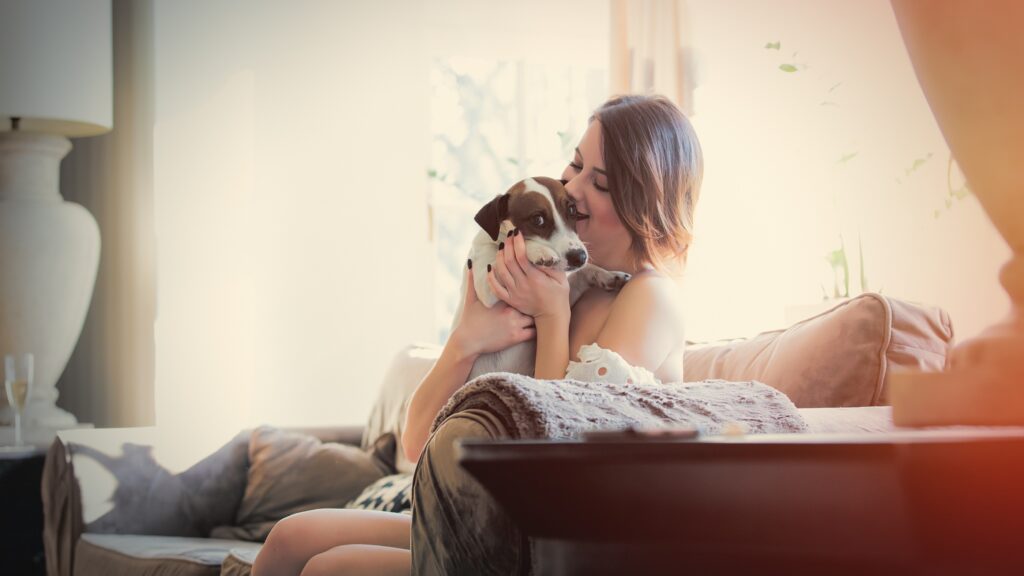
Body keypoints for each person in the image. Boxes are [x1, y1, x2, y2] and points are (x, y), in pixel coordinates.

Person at [251, 94, 703, 576]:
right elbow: (414, 444)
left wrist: (552, 319)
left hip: (562, 544)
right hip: (496, 520)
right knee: (290, 537)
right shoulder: (562, 283)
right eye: (574, 164)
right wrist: (467, 340)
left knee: (333, 569)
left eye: (602, 182)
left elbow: (554, 454)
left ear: (646, 201)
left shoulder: (650, 298)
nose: (572, 188)